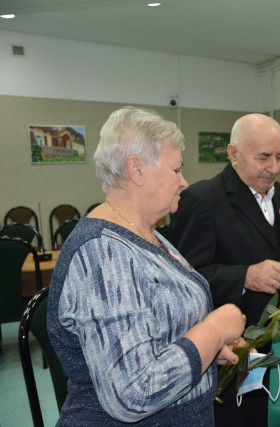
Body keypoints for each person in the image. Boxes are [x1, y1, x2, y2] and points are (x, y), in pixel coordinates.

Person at [47, 106, 246, 426]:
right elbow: (135, 392)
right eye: (176, 169)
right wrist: (214, 330)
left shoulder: (144, 233)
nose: (184, 182)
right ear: (136, 170)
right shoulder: (103, 254)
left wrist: (204, 350)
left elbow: (154, 324)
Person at [170, 113, 280, 427]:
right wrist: (244, 276)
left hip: (276, 350)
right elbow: (183, 282)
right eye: (264, 157)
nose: (274, 167)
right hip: (227, 355)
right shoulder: (201, 200)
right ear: (233, 154)